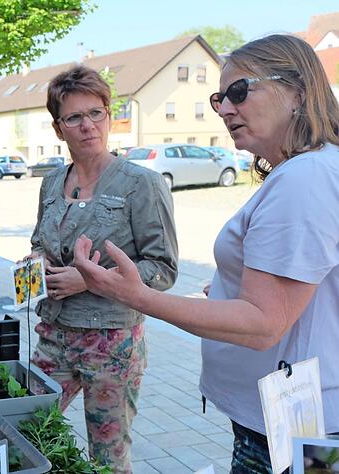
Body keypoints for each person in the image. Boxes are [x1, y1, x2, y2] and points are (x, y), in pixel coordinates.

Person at [72, 35, 339, 473]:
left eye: (239, 91)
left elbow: (262, 324)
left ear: (298, 90)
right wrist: (232, 286)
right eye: (219, 98)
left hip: (293, 430)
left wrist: (137, 296)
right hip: (292, 423)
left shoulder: (304, 179)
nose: (225, 109)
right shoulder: (311, 170)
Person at [23, 65, 178, 472]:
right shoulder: (52, 182)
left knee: (107, 457)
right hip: (54, 335)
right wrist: (36, 260)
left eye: (96, 113)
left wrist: (90, 280)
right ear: (59, 129)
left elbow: (162, 269)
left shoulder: (140, 184)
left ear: (109, 116)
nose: (88, 125)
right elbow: (41, 241)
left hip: (112, 344)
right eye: (74, 117)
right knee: (24, 425)